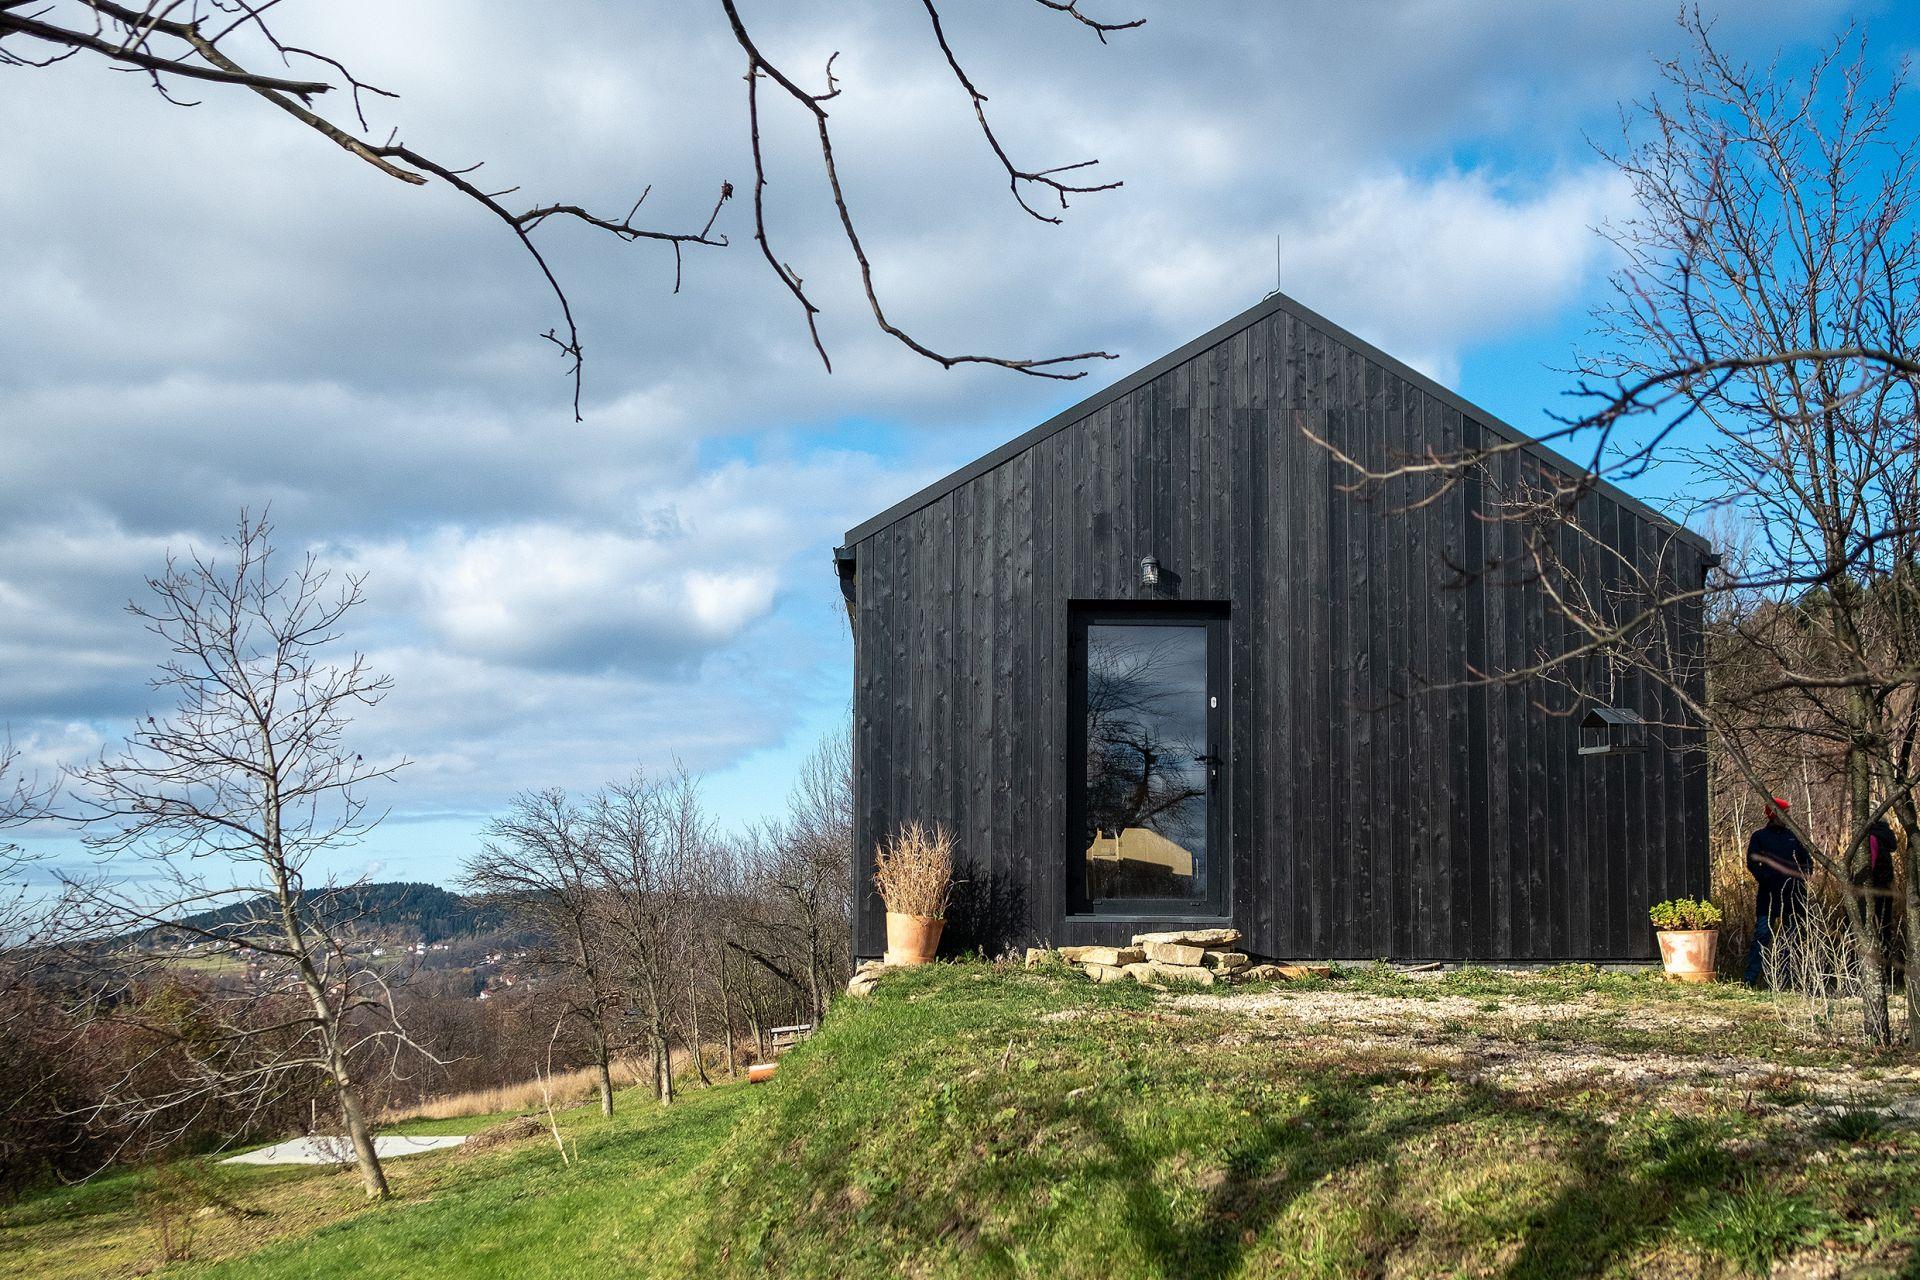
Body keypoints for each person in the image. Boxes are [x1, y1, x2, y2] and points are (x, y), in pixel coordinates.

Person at [1744, 797, 1813, 987]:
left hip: (1794, 895)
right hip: (1768, 896)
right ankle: (1750, 979)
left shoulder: (1794, 836)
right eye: (1785, 813)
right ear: (1774, 815)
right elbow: (1751, 863)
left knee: (1791, 938)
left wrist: (1801, 878)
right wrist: (1765, 878)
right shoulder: (1759, 837)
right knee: (1762, 935)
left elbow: (1808, 862)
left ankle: (1783, 979)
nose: (1788, 816)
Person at [1855, 815, 1899, 983]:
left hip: (1872, 891)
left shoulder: (1871, 837)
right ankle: (1885, 975)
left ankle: (1870, 976)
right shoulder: (1885, 836)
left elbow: (1869, 865)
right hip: (1885, 890)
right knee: (1884, 931)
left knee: (1869, 930)